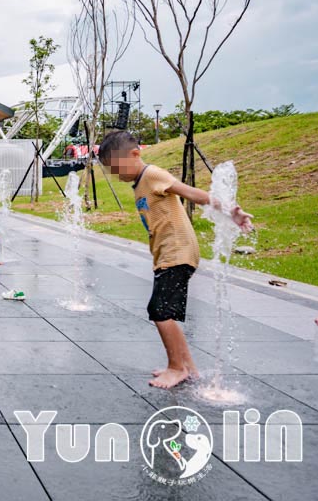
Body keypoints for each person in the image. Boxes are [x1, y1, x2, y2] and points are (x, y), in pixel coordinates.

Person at [99, 130, 253, 389]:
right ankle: (189, 368)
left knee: (159, 312)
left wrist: (230, 212)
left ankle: (176, 367)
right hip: (169, 254)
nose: (116, 174)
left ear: (135, 154)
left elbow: (192, 193)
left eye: (116, 167)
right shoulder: (140, 182)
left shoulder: (153, 174)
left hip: (177, 252)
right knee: (164, 311)